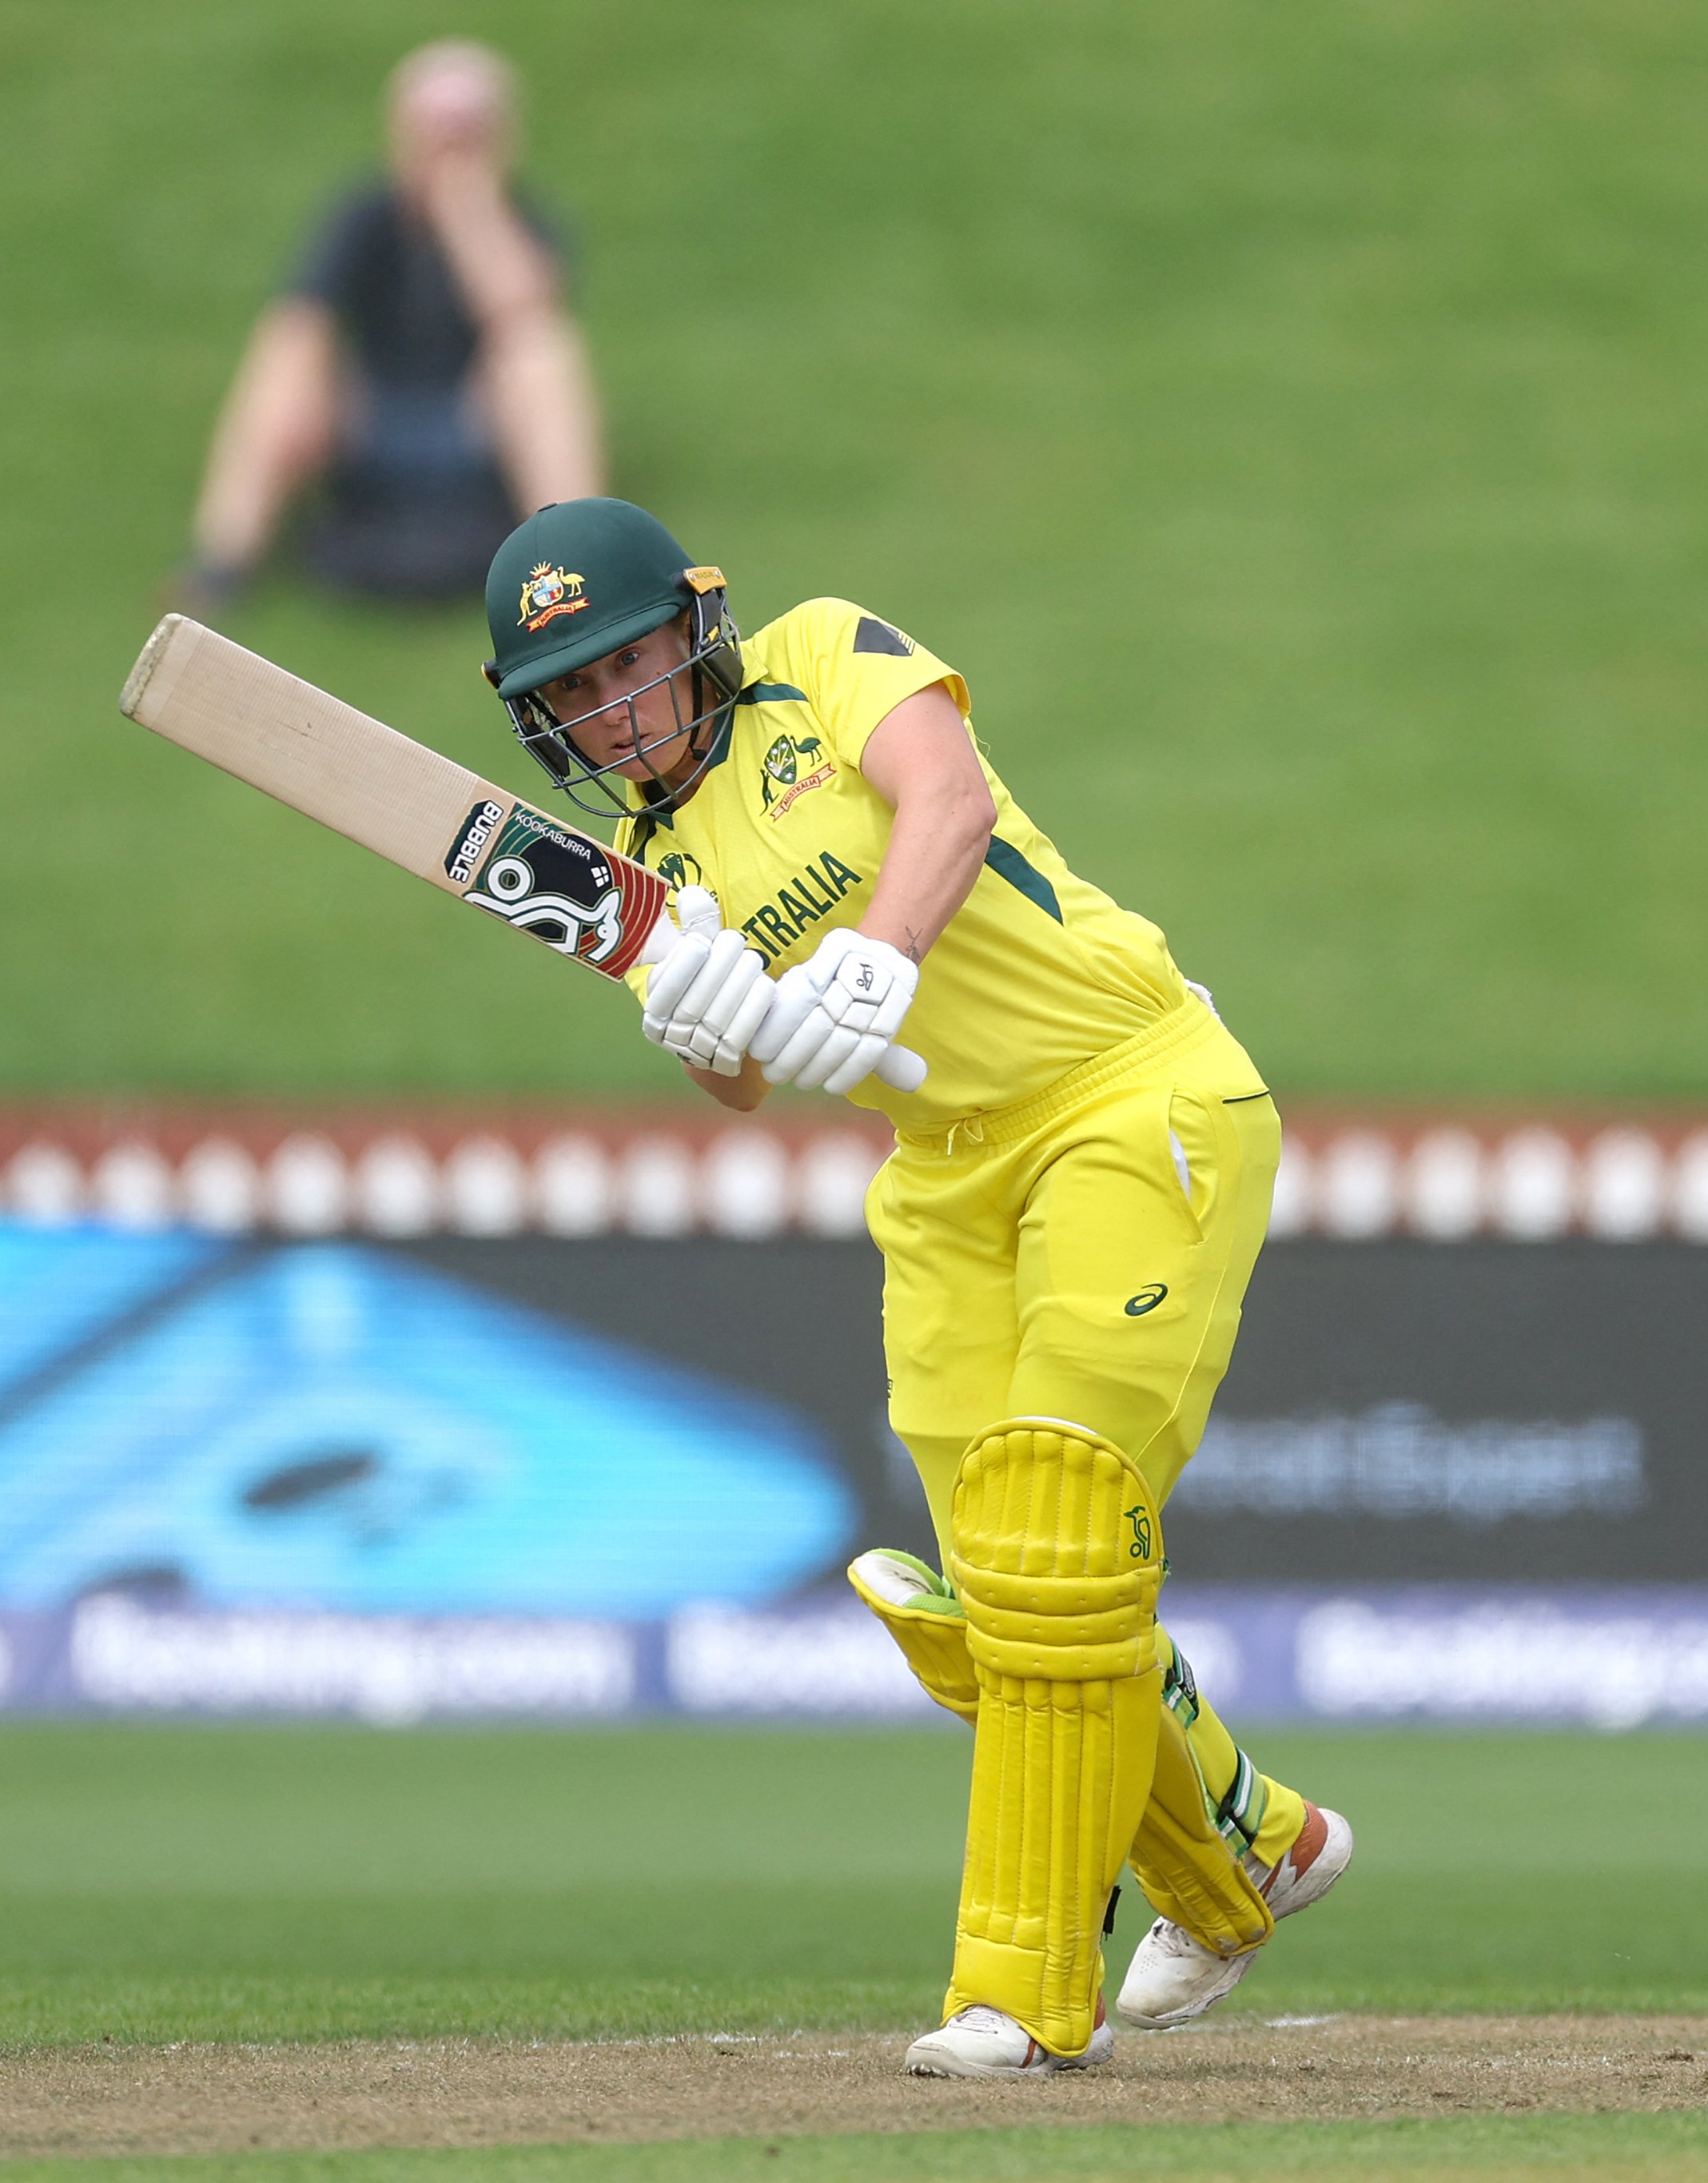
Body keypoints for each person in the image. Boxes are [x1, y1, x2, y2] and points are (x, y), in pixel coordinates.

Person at [476, 500, 1354, 2078]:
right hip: (944, 1174)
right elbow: (742, 1086)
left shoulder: (820, 655)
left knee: (1057, 1537)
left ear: (690, 634)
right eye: (576, 695)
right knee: (993, 1603)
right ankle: (1247, 1849)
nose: (613, 711)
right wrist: (694, 1024)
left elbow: (944, 803)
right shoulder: (642, 863)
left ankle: (1015, 1993)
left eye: (627, 667)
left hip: (1122, 1092)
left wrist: (873, 957)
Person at [180, 40, 602, 605]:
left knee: (540, 352)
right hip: (375, 419)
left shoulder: (525, 220)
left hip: (476, 425)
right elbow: (303, 316)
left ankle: (582, 561)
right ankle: (222, 563)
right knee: (288, 345)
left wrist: (467, 210)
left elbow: (520, 305)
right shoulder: (365, 217)